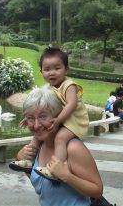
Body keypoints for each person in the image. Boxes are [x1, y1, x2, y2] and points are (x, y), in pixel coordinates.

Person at [14, 87, 103, 206]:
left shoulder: (73, 148)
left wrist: (67, 176)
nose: (36, 125)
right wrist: (20, 157)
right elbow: (40, 182)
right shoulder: (38, 145)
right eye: (30, 118)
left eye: (43, 116)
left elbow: (97, 191)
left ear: (58, 116)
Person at [10, 47, 89, 180]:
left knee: (60, 139)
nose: (52, 73)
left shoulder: (69, 85)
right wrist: (28, 117)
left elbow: (72, 104)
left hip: (74, 120)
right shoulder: (48, 88)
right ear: (41, 72)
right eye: (47, 69)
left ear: (66, 68)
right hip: (62, 118)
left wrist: (57, 121)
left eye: (57, 68)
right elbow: (39, 106)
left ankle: (56, 168)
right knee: (37, 136)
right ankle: (28, 160)